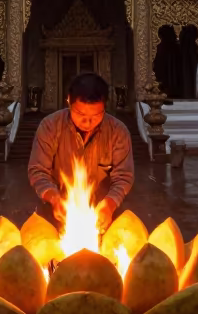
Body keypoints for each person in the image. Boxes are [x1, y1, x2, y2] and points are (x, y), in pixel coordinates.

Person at [28, 72, 133, 233]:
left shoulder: (118, 132)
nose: (87, 122)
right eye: (80, 114)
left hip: (103, 214)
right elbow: (38, 170)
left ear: (105, 106)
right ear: (69, 101)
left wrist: (109, 204)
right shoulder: (50, 127)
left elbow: (123, 177)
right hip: (57, 212)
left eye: (96, 115)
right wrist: (54, 199)